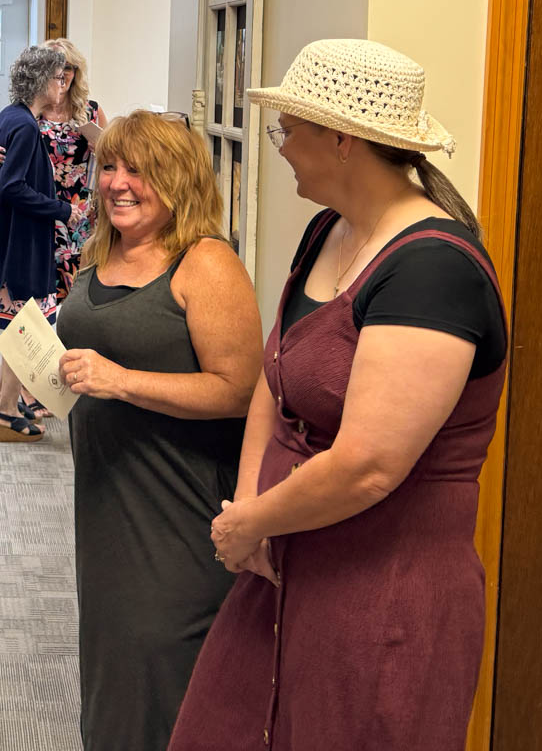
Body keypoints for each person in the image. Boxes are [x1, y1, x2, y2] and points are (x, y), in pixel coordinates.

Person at [168, 39, 509, 751]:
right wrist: (252, 508)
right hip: (284, 554)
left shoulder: (432, 272)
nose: (283, 148)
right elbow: (277, 375)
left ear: (342, 139)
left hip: (380, 588)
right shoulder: (328, 228)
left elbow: (367, 465)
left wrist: (249, 522)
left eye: (288, 130)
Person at [53, 110, 263, 748]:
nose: (118, 182)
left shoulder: (205, 263)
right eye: (110, 166)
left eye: (139, 169)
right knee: (113, 656)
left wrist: (121, 381)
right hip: (106, 496)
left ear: (179, 179)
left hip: (178, 503)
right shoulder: (102, 250)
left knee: (165, 660)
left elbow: (241, 389)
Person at [0, 44, 82, 441]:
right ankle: (5, 413)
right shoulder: (23, 125)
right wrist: (60, 209)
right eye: (58, 78)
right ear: (41, 81)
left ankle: (2, 399)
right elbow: (12, 187)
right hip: (20, 246)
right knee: (31, 327)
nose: (63, 85)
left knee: (26, 326)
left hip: (13, 241)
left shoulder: (12, 118)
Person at [0, 37, 108, 300]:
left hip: (78, 210)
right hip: (36, 204)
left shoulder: (90, 112)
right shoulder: (26, 114)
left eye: (68, 69)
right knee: (35, 291)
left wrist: (104, 150)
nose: (62, 76)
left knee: (77, 288)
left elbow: (113, 157)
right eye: (56, 70)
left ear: (76, 72)